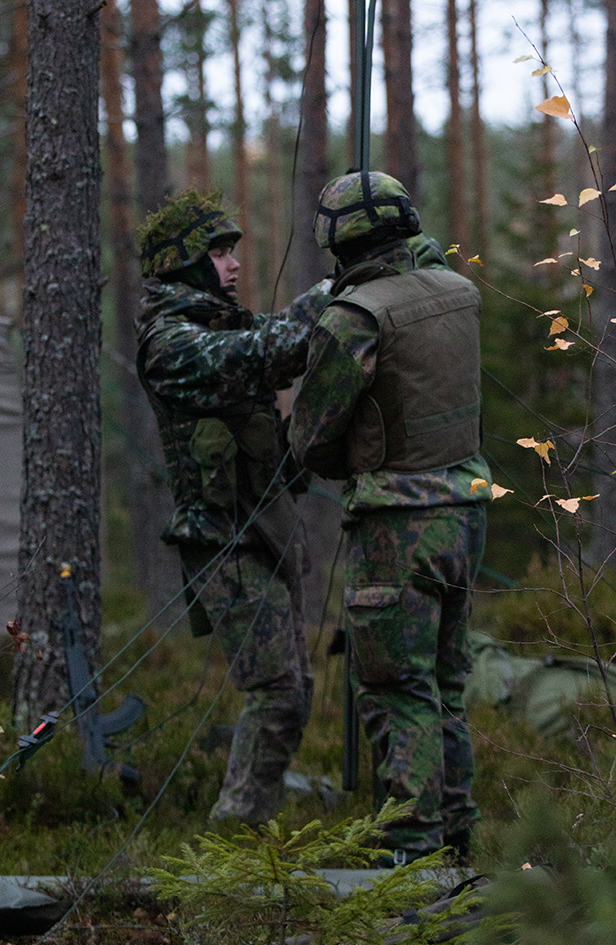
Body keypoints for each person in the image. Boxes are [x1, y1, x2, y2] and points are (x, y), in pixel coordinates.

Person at [290, 171, 490, 865]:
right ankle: (457, 846)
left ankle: (408, 859)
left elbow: (311, 438)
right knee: (445, 686)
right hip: (465, 516)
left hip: (396, 529)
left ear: (336, 241)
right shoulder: (458, 294)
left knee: (394, 692)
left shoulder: (356, 318)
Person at [135, 190, 332, 825]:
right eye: (218, 253)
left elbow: (268, 339)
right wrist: (334, 296)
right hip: (225, 544)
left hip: (264, 535)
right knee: (276, 693)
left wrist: (333, 290)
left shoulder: (220, 326)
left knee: (293, 692)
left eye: (232, 252)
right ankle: (236, 839)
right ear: (183, 264)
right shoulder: (170, 343)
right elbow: (266, 354)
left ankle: (250, 837)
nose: (234, 264)